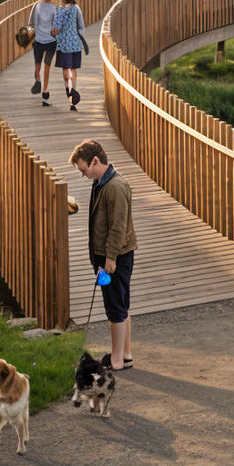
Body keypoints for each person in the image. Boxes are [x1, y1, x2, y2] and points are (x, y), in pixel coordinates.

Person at [69, 139, 137, 369]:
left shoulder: (115, 187)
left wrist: (110, 258)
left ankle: (116, 360)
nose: (83, 175)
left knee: (114, 306)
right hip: (107, 256)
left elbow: (118, 227)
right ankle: (125, 354)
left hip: (114, 257)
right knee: (121, 303)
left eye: (83, 170)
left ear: (95, 161)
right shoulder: (100, 183)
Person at [51, 0, 86, 111]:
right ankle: (73, 92)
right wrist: (78, 37)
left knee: (66, 69)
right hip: (75, 44)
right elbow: (81, 26)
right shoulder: (76, 8)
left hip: (63, 44)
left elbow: (55, 28)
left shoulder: (59, 10)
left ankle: (69, 90)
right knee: (73, 69)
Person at [28, 0, 61, 96]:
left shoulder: (37, 6)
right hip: (51, 41)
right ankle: (44, 90)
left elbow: (32, 23)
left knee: (37, 64)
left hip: (38, 40)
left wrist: (34, 36)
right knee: (47, 66)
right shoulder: (53, 8)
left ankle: (38, 80)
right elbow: (56, 24)